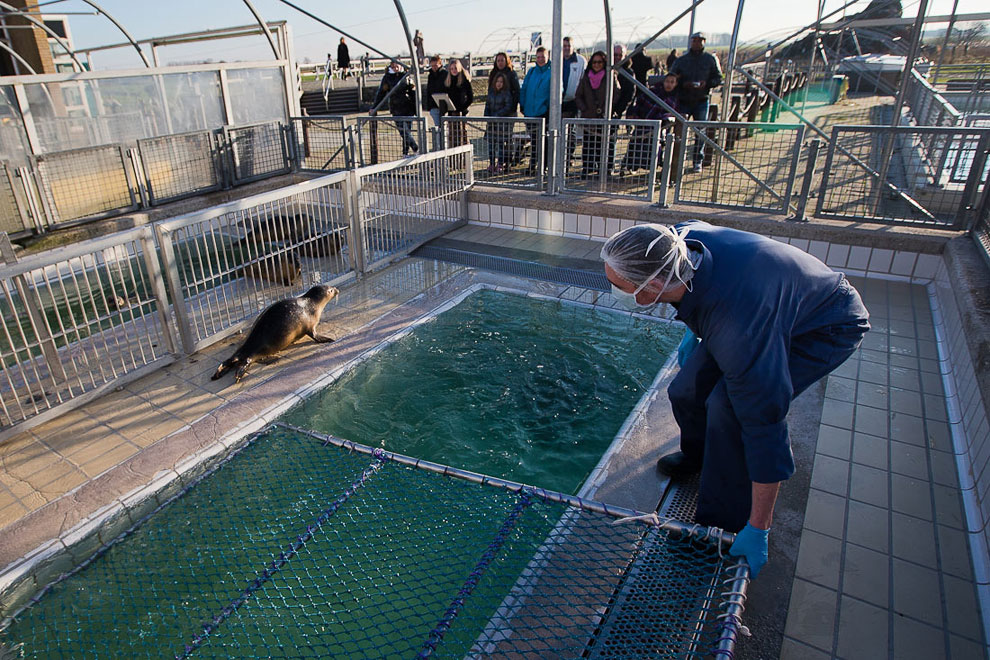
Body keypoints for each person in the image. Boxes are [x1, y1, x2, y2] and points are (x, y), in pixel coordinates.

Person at [600, 222, 870, 578]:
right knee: (686, 390)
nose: (612, 290)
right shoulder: (676, 241)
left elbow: (765, 428)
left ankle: (721, 527)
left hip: (823, 324)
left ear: (651, 288)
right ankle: (699, 457)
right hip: (768, 300)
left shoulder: (737, 328)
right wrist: (693, 333)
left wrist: (761, 528)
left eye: (618, 286)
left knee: (730, 409)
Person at [670, 32, 722, 173]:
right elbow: (671, 77)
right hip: (684, 99)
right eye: (694, 40)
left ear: (704, 42)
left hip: (701, 99)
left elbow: (718, 78)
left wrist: (707, 84)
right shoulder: (681, 60)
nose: (697, 43)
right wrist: (682, 84)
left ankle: (697, 160)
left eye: (699, 41)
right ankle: (676, 161)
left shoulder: (710, 59)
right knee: (679, 131)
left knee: (700, 131)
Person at [622, 72, 680, 173]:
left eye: (672, 82)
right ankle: (629, 166)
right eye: (667, 81)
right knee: (634, 145)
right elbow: (639, 102)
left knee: (654, 147)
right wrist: (635, 114)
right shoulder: (652, 92)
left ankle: (653, 167)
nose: (669, 84)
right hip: (643, 122)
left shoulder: (674, 98)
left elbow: (672, 113)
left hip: (659, 127)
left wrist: (664, 119)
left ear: (675, 84)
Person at [574, 50, 619, 180]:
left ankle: (605, 168)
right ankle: (587, 168)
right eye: (594, 62)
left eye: (599, 62)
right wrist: (584, 109)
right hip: (589, 116)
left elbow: (616, 94)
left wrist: (607, 109)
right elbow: (578, 96)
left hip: (605, 117)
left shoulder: (610, 76)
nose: (597, 64)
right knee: (588, 145)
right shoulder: (586, 77)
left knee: (605, 144)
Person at [371, 60, 418, 155]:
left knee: (407, 131)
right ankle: (415, 147)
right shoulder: (387, 78)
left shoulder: (406, 76)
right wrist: (374, 106)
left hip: (408, 107)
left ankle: (405, 153)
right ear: (390, 67)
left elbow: (413, 92)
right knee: (403, 131)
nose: (396, 69)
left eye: (397, 66)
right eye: (393, 67)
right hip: (396, 107)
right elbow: (381, 93)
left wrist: (416, 107)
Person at [519, 46, 551, 174]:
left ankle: (544, 166)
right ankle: (532, 164)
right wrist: (523, 105)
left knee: (545, 141)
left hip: (543, 112)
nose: (540, 59)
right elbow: (524, 88)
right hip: (530, 112)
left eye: (543, 56)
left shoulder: (552, 72)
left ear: (547, 56)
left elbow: (555, 91)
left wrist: (548, 109)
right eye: (538, 57)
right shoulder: (532, 72)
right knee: (534, 141)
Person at [560, 36, 587, 167]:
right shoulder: (557, 60)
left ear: (572, 47)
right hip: (558, 101)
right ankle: (558, 155)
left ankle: (568, 156)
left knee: (571, 131)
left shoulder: (580, 61)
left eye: (568, 46)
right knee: (558, 130)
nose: (566, 48)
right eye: (564, 46)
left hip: (573, 100)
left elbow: (584, 80)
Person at [484, 72, 515, 174]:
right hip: (491, 124)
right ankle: (492, 163)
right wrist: (487, 116)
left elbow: (508, 107)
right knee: (491, 145)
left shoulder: (506, 93)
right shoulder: (491, 93)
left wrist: (497, 115)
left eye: (501, 82)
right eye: (497, 81)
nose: (499, 84)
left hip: (501, 124)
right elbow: (487, 105)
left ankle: (500, 163)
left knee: (501, 145)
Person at [443, 58, 473, 146]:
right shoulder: (448, 81)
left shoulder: (464, 81)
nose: (454, 70)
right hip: (451, 113)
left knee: (463, 134)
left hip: (462, 112)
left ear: (459, 68)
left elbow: (470, 98)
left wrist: (462, 108)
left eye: (455, 68)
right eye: (452, 69)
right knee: (452, 135)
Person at [423, 55, 446, 128]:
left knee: (443, 126)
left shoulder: (445, 74)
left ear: (440, 64)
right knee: (438, 126)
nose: (434, 67)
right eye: (432, 66)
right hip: (433, 104)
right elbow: (429, 90)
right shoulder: (430, 75)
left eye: (435, 65)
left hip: (444, 103)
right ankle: (439, 139)